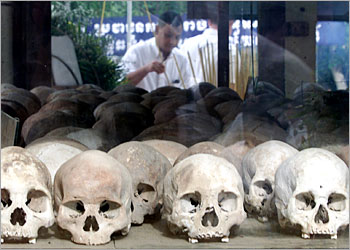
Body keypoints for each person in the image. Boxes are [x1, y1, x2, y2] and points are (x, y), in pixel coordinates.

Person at [121, 11, 195, 92]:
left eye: (177, 37)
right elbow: (121, 84)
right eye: (168, 35)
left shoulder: (181, 59)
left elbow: (187, 89)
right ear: (157, 30)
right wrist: (146, 70)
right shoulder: (136, 52)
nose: (172, 42)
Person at [180, 15, 239, 85]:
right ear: (231, 23)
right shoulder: (231, 50)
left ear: (209, 22)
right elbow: (232, 85)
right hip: (218, 95)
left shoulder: (187, 44)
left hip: (186, 95)